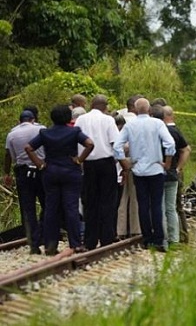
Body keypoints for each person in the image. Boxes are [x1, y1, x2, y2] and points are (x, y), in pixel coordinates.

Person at [25, 105, 94, 255]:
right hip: (70, 172)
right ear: (69, 118)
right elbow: (89, 144)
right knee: (71, 208)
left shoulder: (45, 133)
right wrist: (79, 159)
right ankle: (75, 243)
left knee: (51, 209)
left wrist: (40, 164)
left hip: (50, 172)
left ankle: (50, 245)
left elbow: (29, 148)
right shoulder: (74, 131)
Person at [113, 98, 176, 252]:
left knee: (143, 205)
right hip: (155, 169)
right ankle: (159, 239)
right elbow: (170, 144)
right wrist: (167, 163)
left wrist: (125, 164)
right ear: (149, 110)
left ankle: (147, 239)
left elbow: (117, 146)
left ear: (134, 109)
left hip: (138, 170)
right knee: (156, 205)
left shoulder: (130, 125)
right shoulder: (157, 124)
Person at [74, 94, 120, 250]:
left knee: (90, 202)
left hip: (87, 164)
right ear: (105, 107)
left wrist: (78, 160)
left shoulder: (81, 119)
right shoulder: (108, 120)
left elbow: (76, 140)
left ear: (91, 105)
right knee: (107, 202)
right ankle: (107, 238)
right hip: (106, 163)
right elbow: (116, 143)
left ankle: (90, 240)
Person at [4, 110, 46, 254]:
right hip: (41, 169)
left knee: (28, 209)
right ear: (33, 119)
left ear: (19, 121)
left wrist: (6, 174)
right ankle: (46, 237)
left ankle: (33, 244)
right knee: (47, 204)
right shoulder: (41, 129)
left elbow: (9, 156)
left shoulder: (11, 134)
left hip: (23, 173)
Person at [152, 105, 191, 246]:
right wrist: (178, 167)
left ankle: (163, 239)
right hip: (172, 175)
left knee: (160, 207)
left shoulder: (156, 132)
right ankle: (174, 239)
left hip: (157, 173)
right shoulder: (175, 132)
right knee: (171, 208)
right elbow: (186, 149)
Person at [115, 95, 141, 240]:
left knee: (123, 197)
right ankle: (135, 229)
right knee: (135, 197)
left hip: (120, 163)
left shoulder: (119, 116)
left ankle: (121, 229)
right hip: (134, 161)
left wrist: (122, 162)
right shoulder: (136, 121)